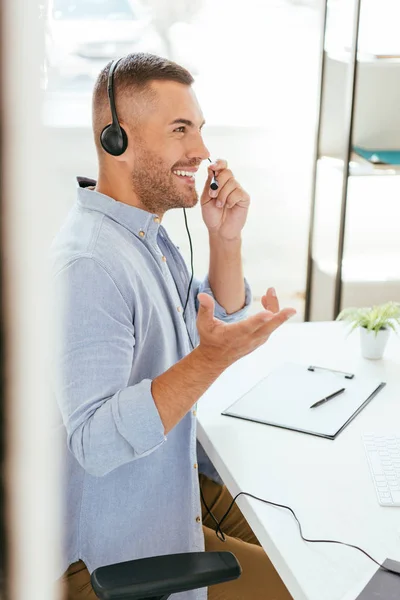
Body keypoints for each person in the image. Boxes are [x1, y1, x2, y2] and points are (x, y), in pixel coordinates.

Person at [52, 53, 296, 600]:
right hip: (121, 568)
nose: (202, 151)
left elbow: (213, 318)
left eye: (200, 130)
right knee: (322, 585)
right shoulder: (91, 263)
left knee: (317, 560)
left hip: (169, 518)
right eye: (180, 130)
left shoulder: (146, 235)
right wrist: (210, 359)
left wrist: (225, 238)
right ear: (117, 140)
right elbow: (94, 441)